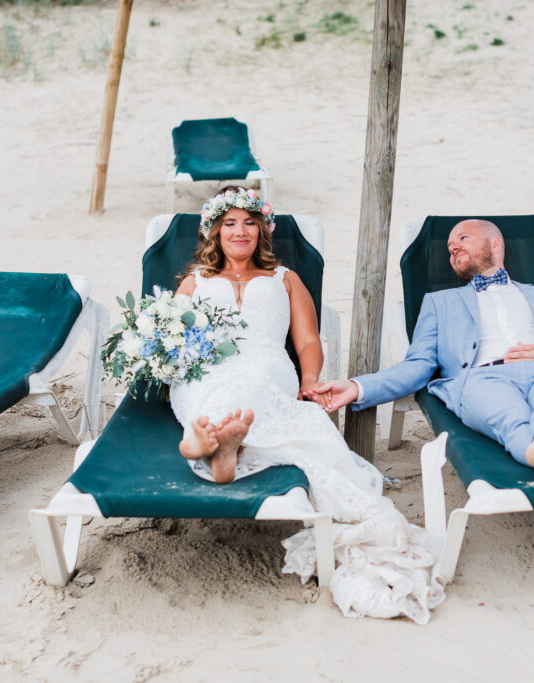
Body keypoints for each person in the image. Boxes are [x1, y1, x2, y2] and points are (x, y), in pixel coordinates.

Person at [169, 187, 443, 624]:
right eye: (230, 223)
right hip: (208, 367)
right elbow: (171, 339)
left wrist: (310, 379)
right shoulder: (194, 282)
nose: (240, 231)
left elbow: (308, 341)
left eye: (249, 222)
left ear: (262, 230)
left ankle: (208, 444)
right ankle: (211, 443)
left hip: (268, 366)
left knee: (255, 379)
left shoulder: (286, 279)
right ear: (214, 231)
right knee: (211, 384)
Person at [312, 219, 534, 483]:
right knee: (508, 416)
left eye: (463, 238)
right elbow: (418, 365)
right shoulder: (439, 303)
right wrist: (357, 387)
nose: (453, 249)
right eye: (450, 248)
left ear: (495, 244)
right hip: (483, 377)